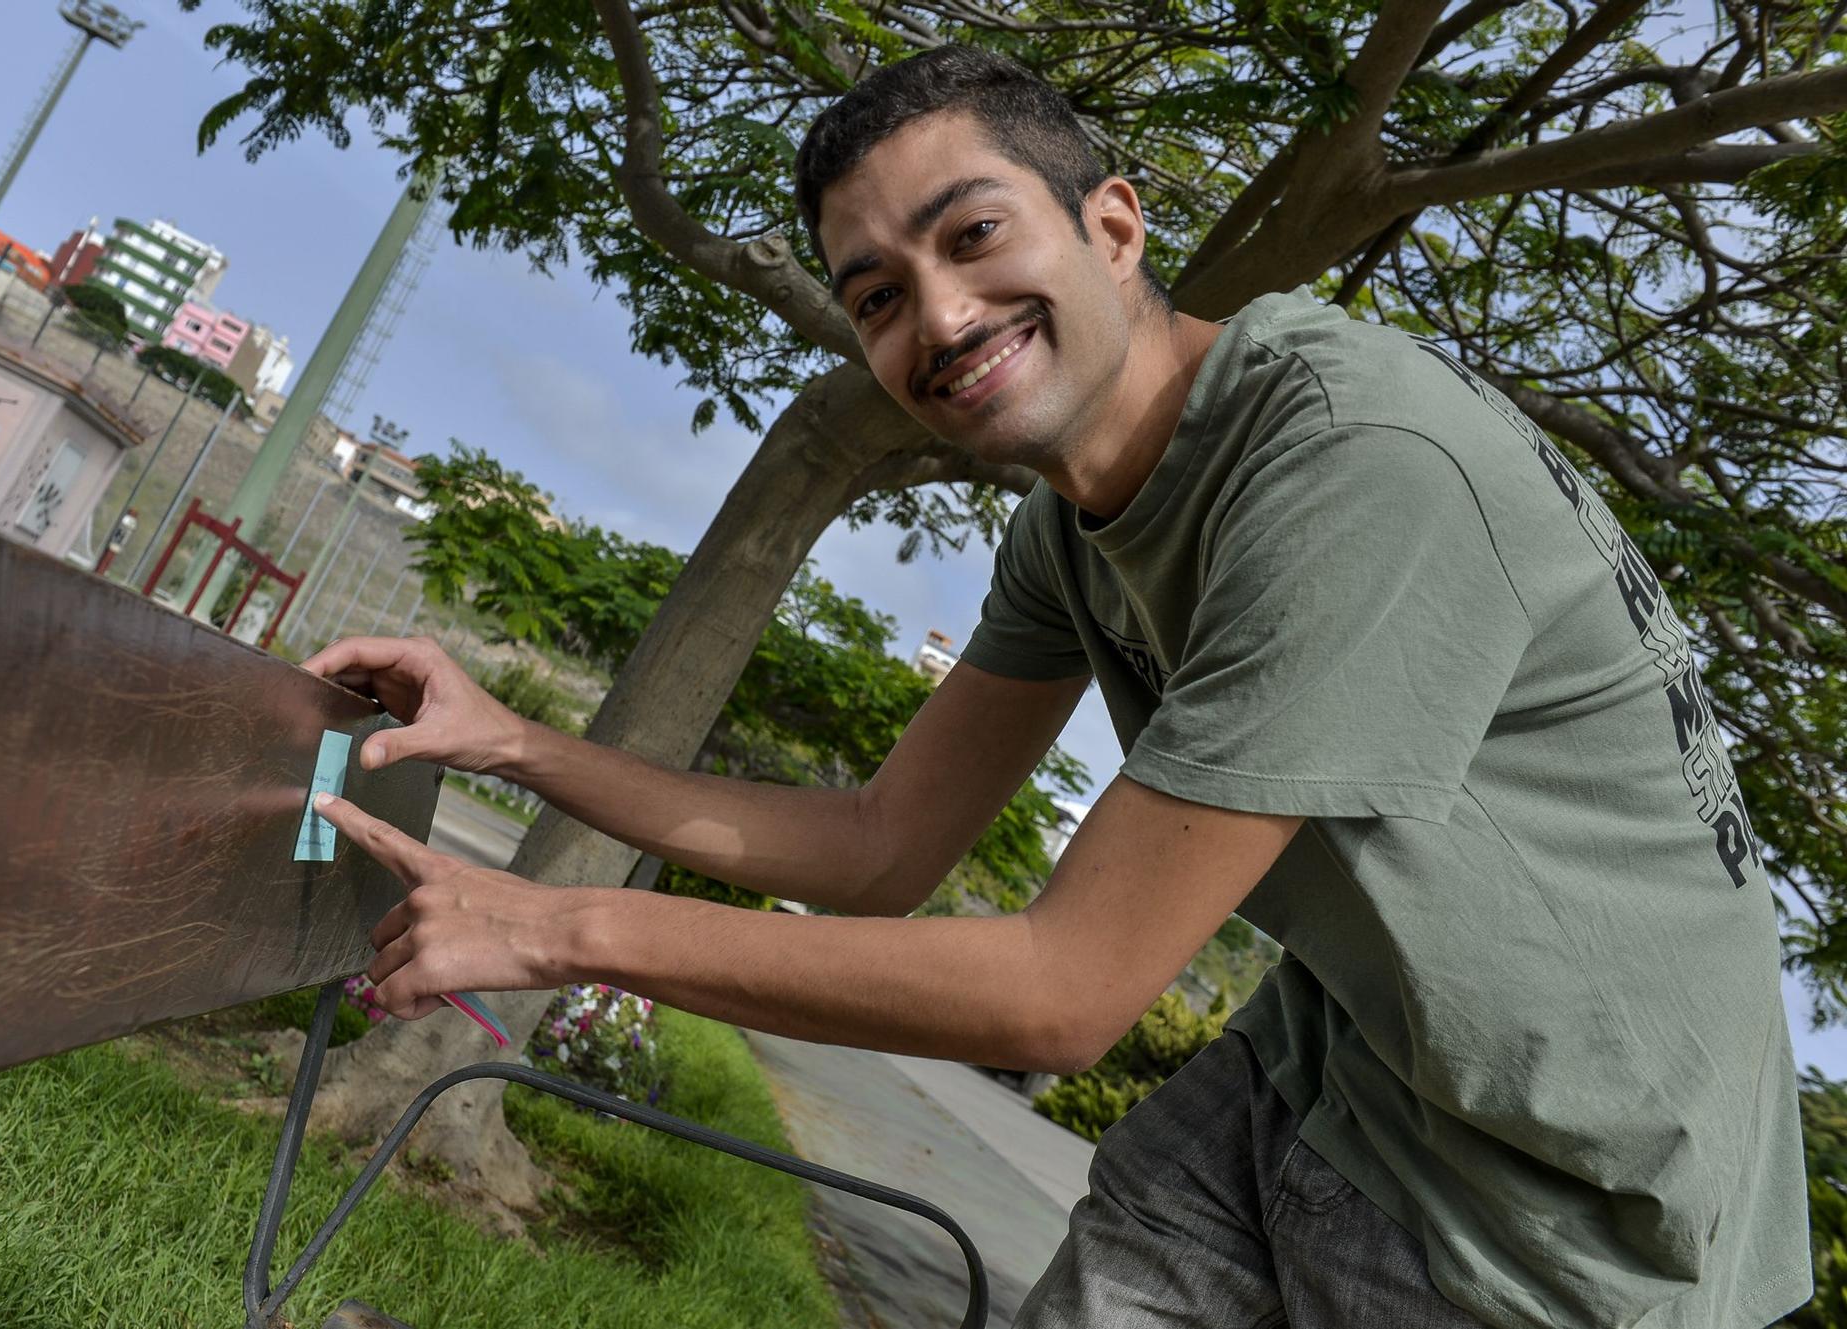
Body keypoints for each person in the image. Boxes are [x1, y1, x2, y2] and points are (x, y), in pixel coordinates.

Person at [300, 44, 1810, 1329]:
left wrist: (554, 924)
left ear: (1115, 224)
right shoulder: (1070, 536)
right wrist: (511, 742)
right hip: (1335, 1069)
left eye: (972, 237)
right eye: (878, 294)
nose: (940, 320)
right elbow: (880, 849)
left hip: (1572, 1221)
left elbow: (1065, 994)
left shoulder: (1358, 468)